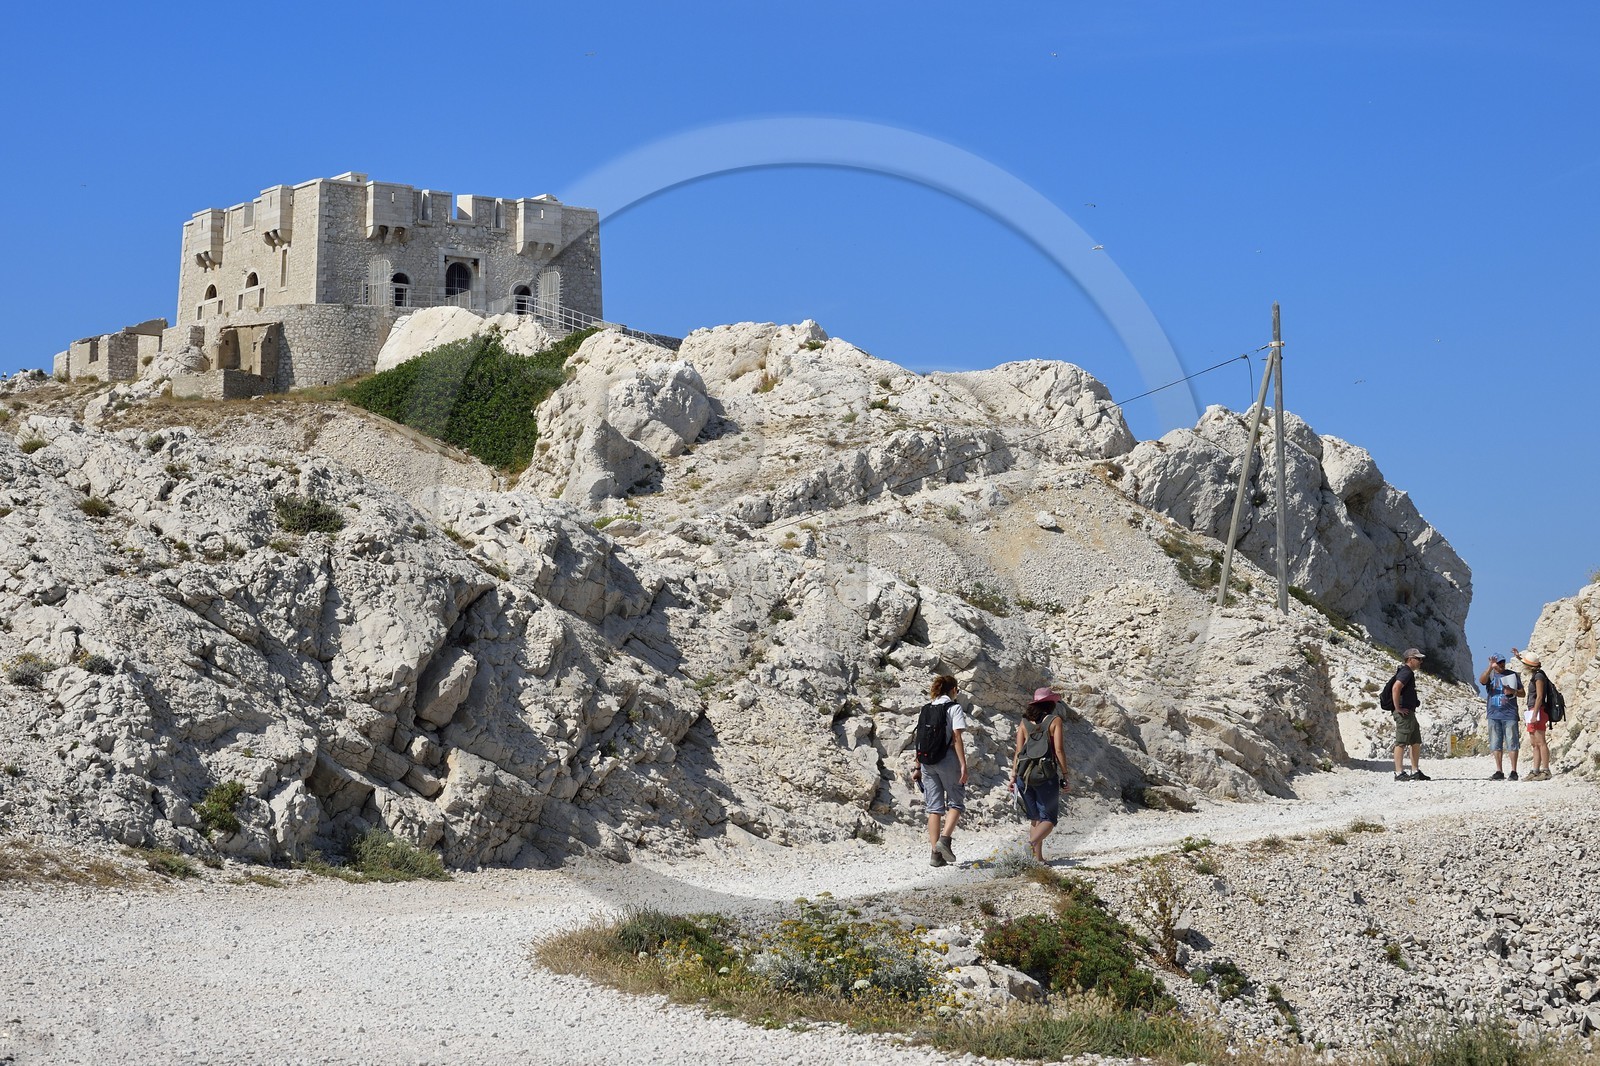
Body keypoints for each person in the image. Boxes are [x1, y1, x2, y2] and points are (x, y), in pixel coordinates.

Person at [910, 674, 968, 867]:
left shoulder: (926, 708)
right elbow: (957, 737)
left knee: (934, 809)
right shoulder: (954, 708)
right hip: (947, 759)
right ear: (953, 690)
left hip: (927, 761)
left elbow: (920, 739)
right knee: (956, 802)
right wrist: (963, 765)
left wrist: (918, 766)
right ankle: (944, 840)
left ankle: (935, 856)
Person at [1012, 686, 1069, 862]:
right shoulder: (1055, 721)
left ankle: (1037, 859)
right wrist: (1065, 774)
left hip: (1024, 775)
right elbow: (1058, 750)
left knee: (1035, 818)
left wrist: (1013, 775)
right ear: (1050, 703)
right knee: (1049, 819)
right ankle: (1031, 844)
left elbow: (1018, 751)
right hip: (1045, 775)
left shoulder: (1024, 722)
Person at [1477, 654, 1523, 780]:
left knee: (1512, 742)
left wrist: (1513, 691)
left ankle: (1514, 771)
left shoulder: (1512, 675)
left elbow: (1523, 693)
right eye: (1499, 662)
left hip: (1510, 714)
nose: (1502, 664)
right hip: (1494, 714)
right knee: (1495, 743)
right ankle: (1499, 771)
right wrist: (1490, 668)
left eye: (1503, 662)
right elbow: (1482, 681)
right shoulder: (1491, 676)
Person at [1390, 648, 1431, 781]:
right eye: (1418, 659)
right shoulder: (1406, 672)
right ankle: (1398, 773)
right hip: (1404, 713)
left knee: (1415, 741)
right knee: (1401, 742)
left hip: (1409, 712)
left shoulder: (1408, 673)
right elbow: (1396, 688)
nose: (1420, 661)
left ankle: (1415, 771)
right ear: (1410, 659)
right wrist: (1398, 708)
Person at [1513, 648, 1552, 780]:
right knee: (1534, 743)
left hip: (1538, 711)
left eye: (1525, 664)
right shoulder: (1535, 674)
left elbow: (1540, 696)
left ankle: (1546, 770)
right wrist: (1519, 657)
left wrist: (1535, 714)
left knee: (1541, 742)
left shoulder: (1539, 676)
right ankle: (1535, 771)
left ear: (1530, 666)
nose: (1524, 666)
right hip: (1532, 711)